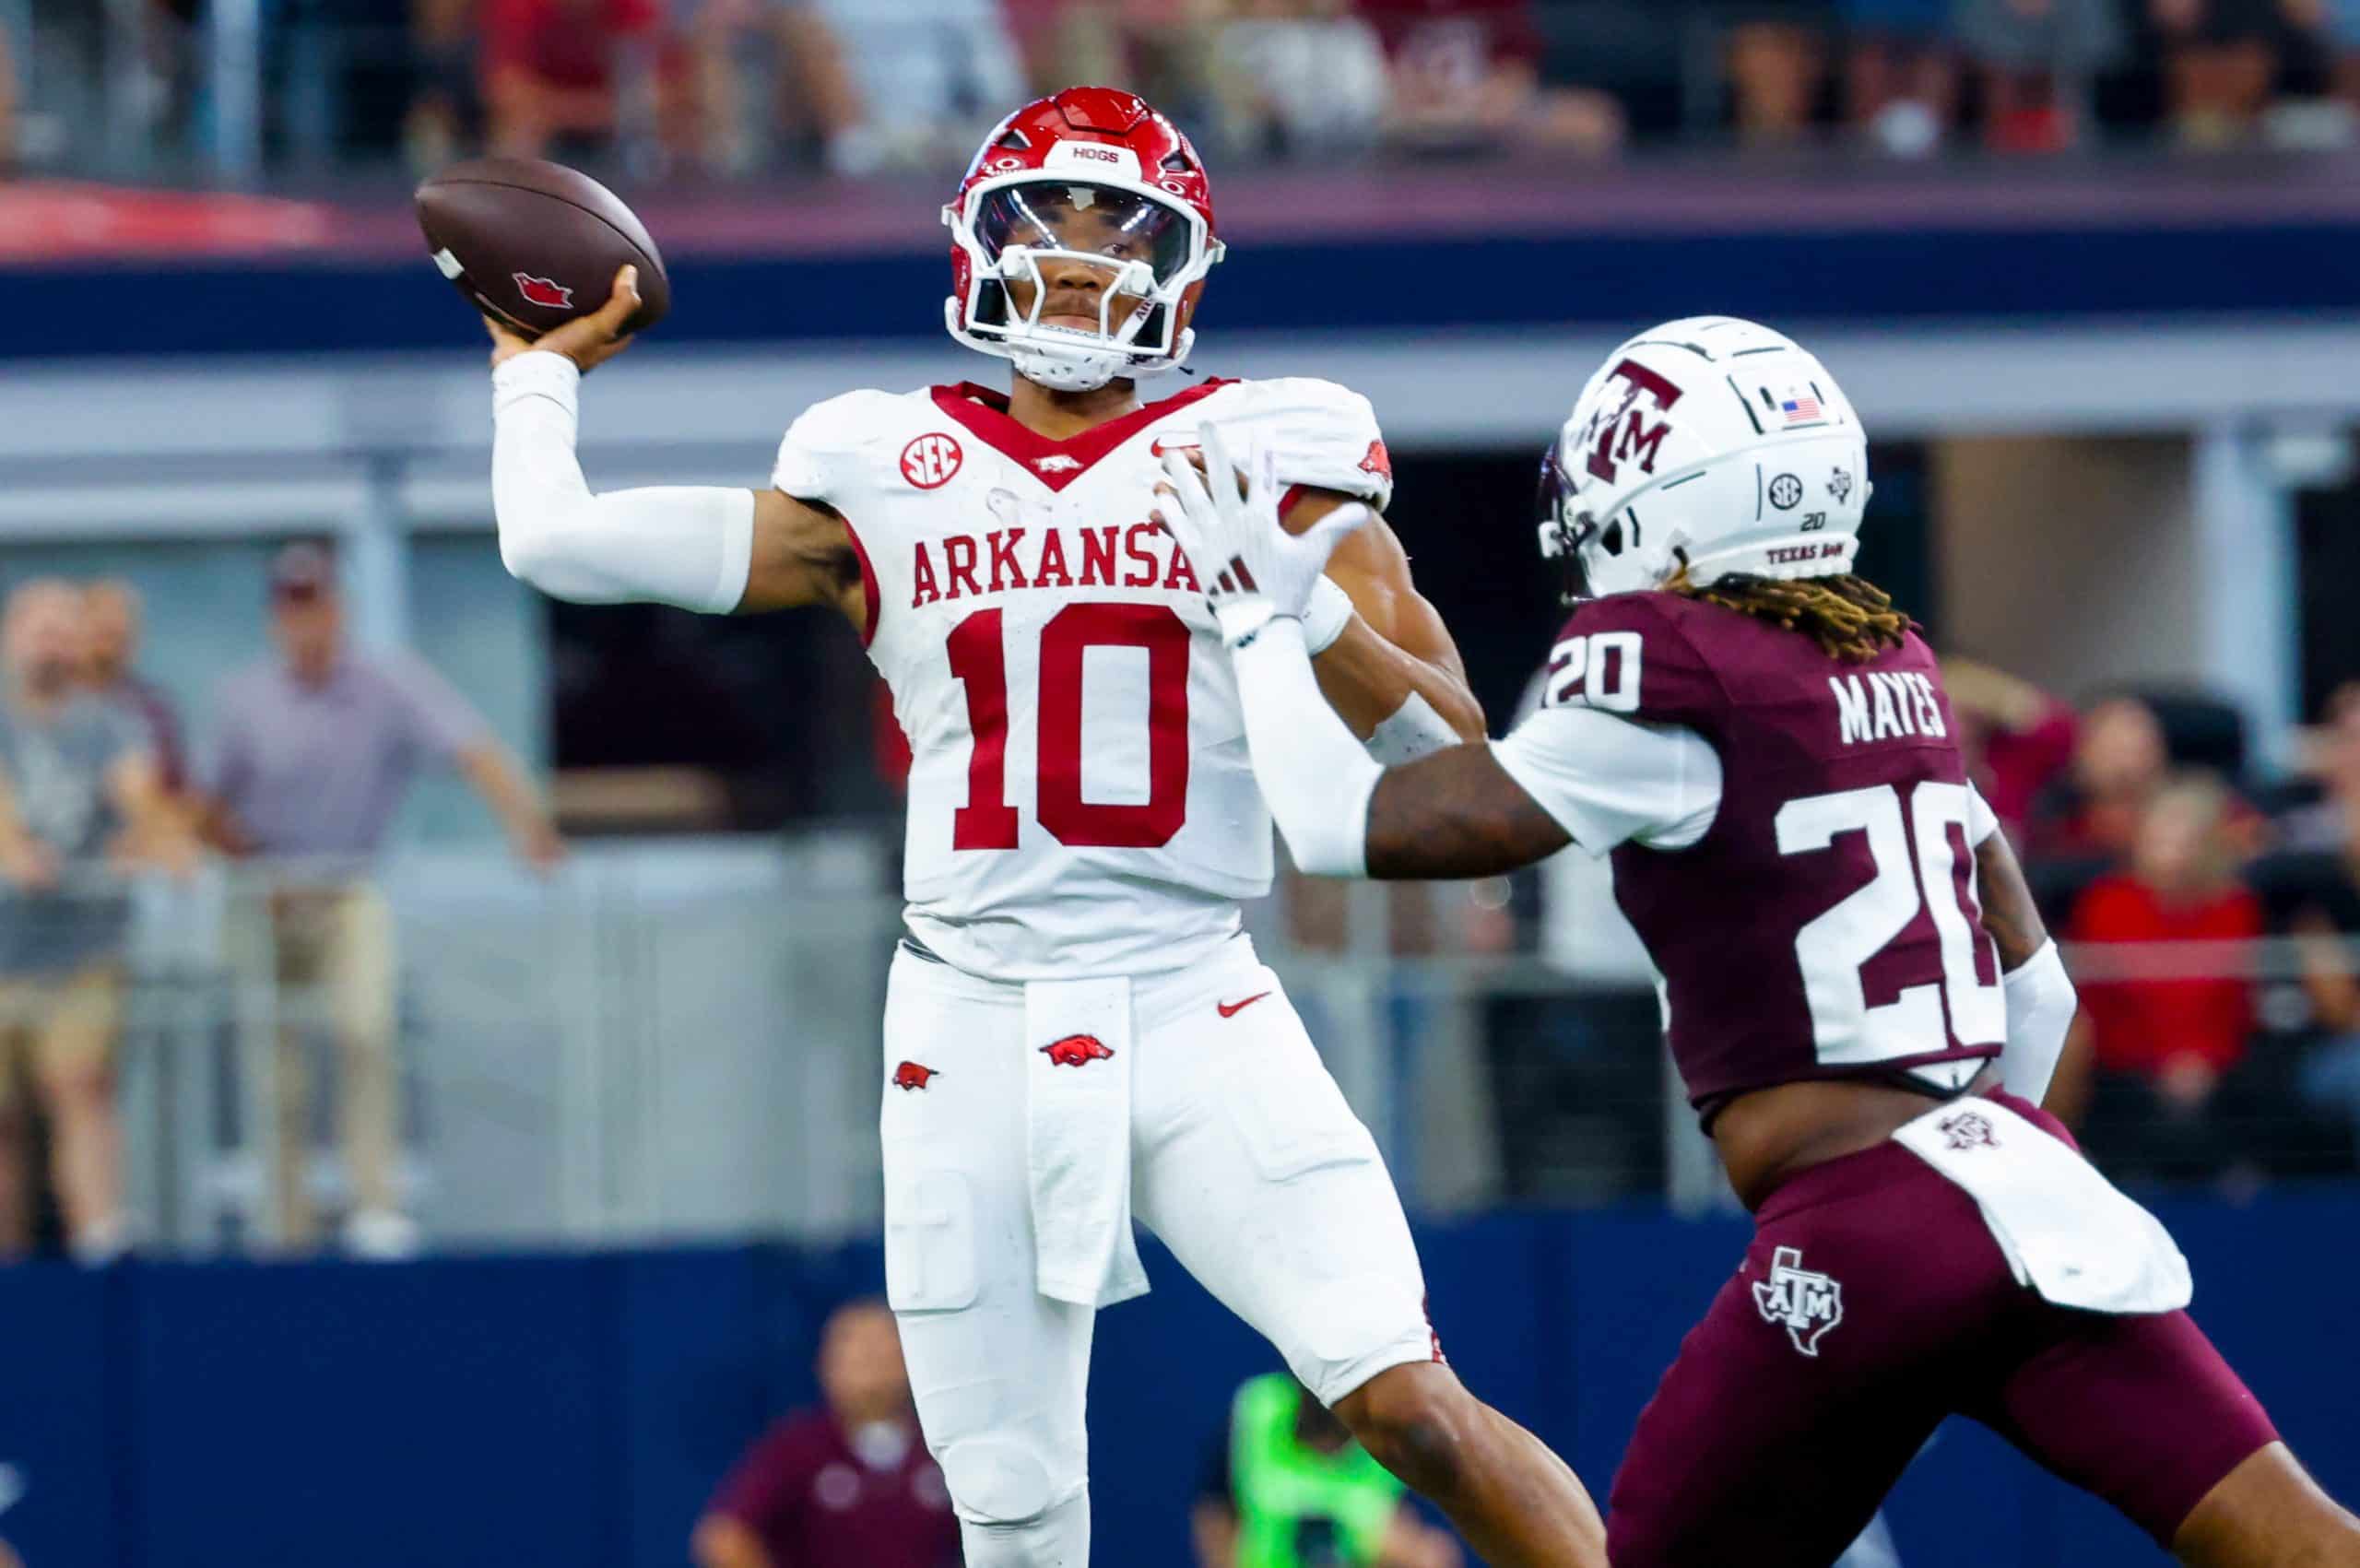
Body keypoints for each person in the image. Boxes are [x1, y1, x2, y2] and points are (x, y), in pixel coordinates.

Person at [485, 85, 1607, 1568]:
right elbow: (550, 539)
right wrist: (533, 374)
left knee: (1404, 1402)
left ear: (1183, 264)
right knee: (1013, 1522)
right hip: (966, 1021)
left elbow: (1452, 748)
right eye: (1047, 223)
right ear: (978, 245)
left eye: (1118, 229)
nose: (1079, 262)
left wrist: (1300, 596)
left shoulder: (1274, 447)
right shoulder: (878, 464)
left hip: (1197, 994)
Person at [1153, 314, 2360, 1567]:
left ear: (1666, 498)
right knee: (2299, 1541)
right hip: (2026, 1184)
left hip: (1860, 1224)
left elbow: (1346, 826)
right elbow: (2042, 993)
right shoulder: (1886, 660)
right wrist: (1978, 1188)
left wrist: (1254, 619)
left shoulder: (1660, 659)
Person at [200, 543, 564, 1256]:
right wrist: (253, 864)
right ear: (278, 617)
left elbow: (473, 748)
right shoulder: (242, 698)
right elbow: (205, 807)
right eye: (292, 606)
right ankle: (287, 1222)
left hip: (348, 891)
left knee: (367, 1033)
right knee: (276, 1071)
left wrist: (528, 824)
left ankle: (375, 1208)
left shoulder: (386, 685)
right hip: (266, 896)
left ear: (339, 609)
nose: (307, 621)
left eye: (318, 603)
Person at [0, 581, 192, 1261]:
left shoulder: (109, 722)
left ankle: (98, 1241)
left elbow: (142, 797)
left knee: (79, 1084)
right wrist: (16, 849)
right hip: (6, 950)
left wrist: (157, 839)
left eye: (62, 630)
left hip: (84, 948)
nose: (50, 643)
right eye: (38, 628)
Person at [692, 1300, 959, 1568]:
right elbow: (724, 1536)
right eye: (857, 1353)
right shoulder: (798, 1447)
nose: (871, 1362)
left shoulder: (942, 1446)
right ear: (826, 1364)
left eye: (884, 1351)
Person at [1192, 1371, 1461, 1568]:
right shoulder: (1258, 1412)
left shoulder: (1394, 1436)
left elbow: (1429, 1551)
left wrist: (1403, 1553)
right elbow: (1214, 1514)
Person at [80, 580, 189, 802]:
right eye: (102, 633)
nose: (108, 646)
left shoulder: (156, 708)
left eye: (117, 635)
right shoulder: (57, 703)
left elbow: (176, 790)